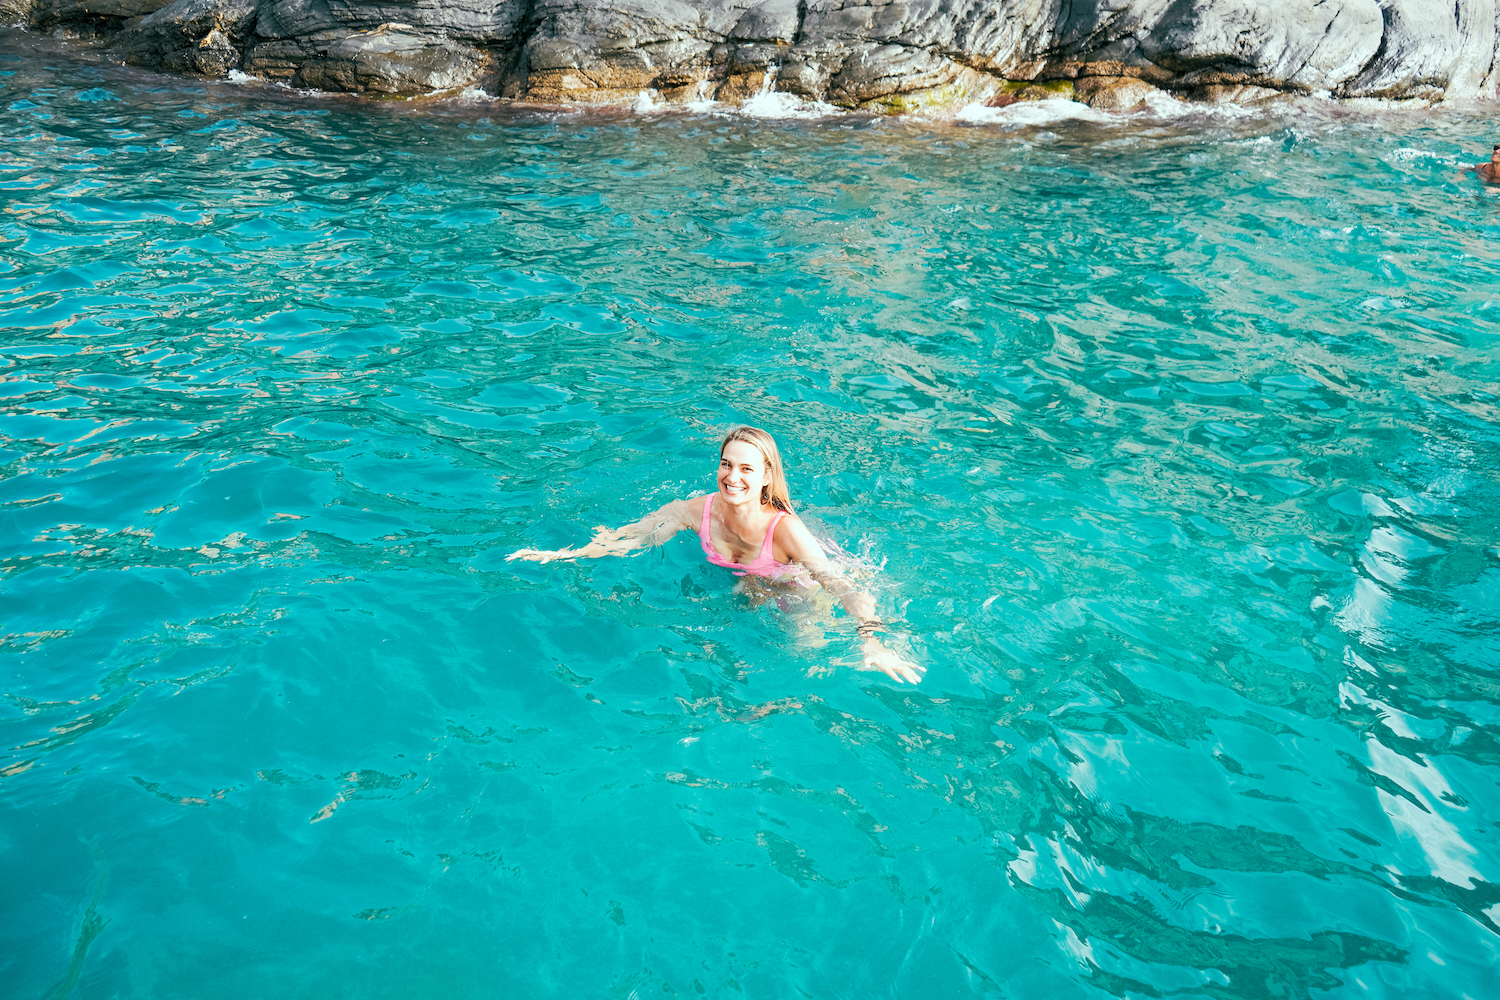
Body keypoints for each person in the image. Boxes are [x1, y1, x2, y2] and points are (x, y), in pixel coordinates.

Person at [508, 425, 925, 684]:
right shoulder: (698, 510)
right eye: (727, 464)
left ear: (766, 478)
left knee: (802, 655)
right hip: (749, 577)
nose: (733, 476)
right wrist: (563, 555)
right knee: (741, 611)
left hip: (795, 583)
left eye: (746, 469)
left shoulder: (786, 531)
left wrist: (870, 641)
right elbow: (637, 536)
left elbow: (844, 588)